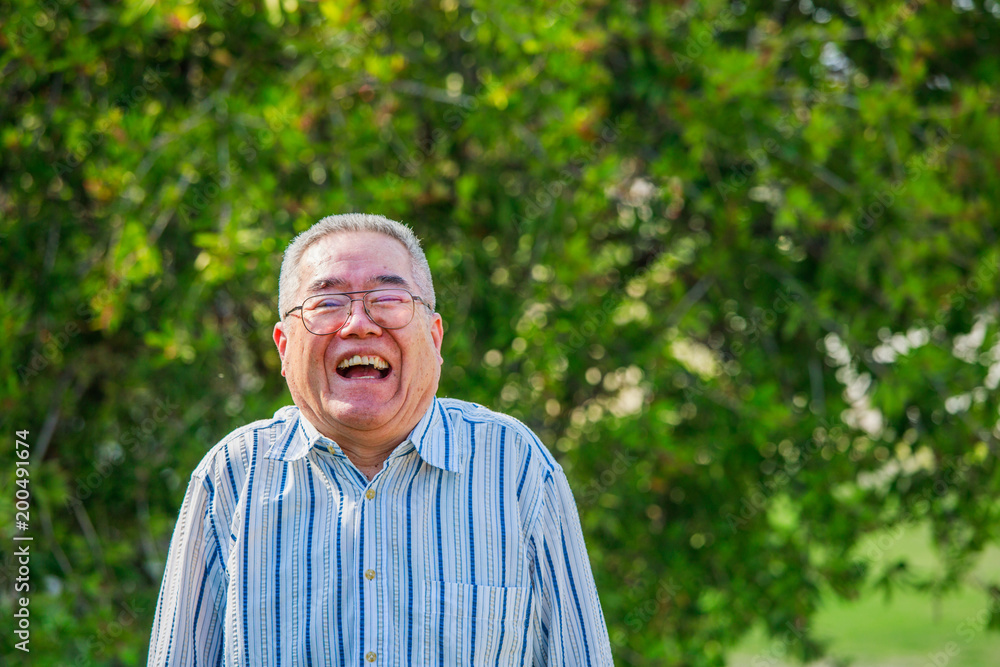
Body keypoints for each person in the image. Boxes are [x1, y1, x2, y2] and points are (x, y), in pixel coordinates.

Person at [147, 214, 613, 666]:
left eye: (387, 298)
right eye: (326, 303)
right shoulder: (231, 476)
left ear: (434, 337)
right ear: (284, 348)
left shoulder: (515, 467)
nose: (358, 324)